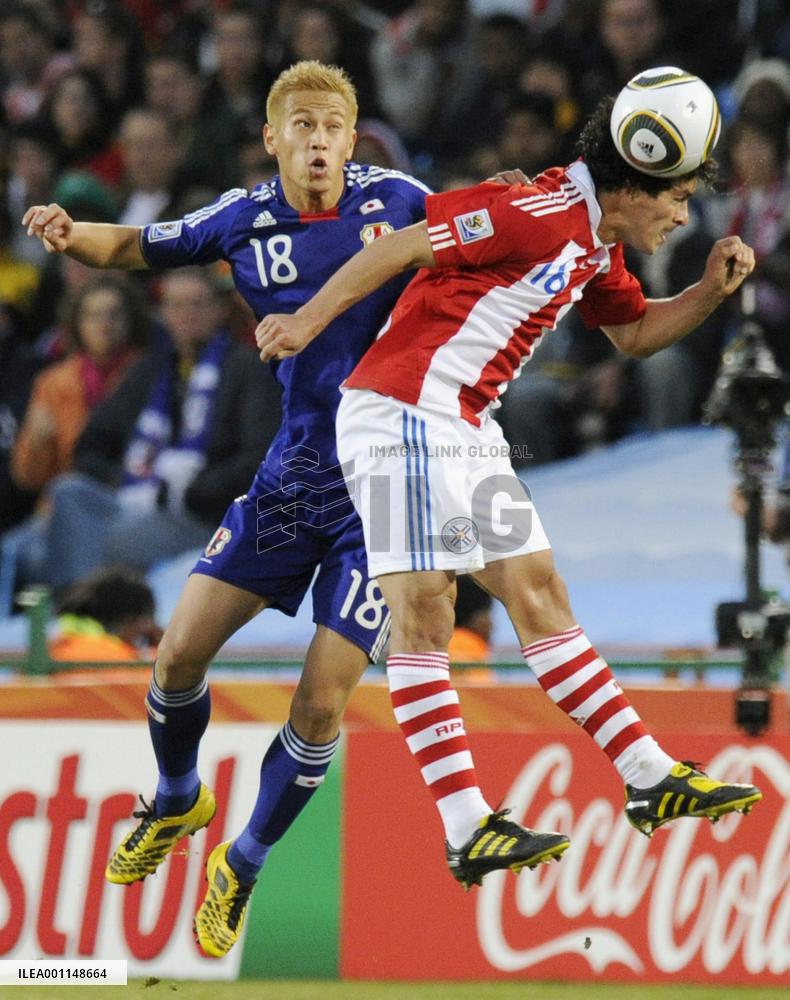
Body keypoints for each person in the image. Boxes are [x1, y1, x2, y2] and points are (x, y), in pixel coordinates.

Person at [256, 71, 765, 895]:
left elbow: (635, 333)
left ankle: (648, 776)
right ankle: (467, 827)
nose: (682, 215)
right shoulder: (536, 210)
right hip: (398, 412)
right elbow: (399, 246)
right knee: (426, 610)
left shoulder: (594, 242)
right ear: (636, 176)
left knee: (539, 591)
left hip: (463, 425)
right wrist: (305, 322)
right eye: (677, 196)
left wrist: (708, 290)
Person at [23, 60, 435, 960]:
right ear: (272, 137)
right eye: (303, 126)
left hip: (386, 497)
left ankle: (243, 863)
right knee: (176, 656)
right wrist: (68, 231)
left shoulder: (401, 201)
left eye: (334, 127)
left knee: (321, 703)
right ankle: (178, 798)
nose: (320, 141)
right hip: (293, 480)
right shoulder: (241, 217)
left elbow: (485, 240)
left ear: (352, 137)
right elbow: (134, 247)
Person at [42, 266, 276, 593]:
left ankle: (85, 609)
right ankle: (83, 605)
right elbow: (91, 444)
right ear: (162, 313)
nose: (186, 314)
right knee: (67, 493)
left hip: (205, 516)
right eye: (176, 305)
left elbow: (261, 457)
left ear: (220, 309)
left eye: (197, 304)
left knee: (95, 538)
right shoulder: (151, 368)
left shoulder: (247, 368)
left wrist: (191, 489)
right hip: (136, 500)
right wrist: (124, 478)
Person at [49, 566, 162, 663]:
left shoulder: (55, 647)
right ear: (128, 619)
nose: (149, 627)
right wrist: (164, 648)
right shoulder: (115, 659)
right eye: (147, 619)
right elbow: (159, 677)